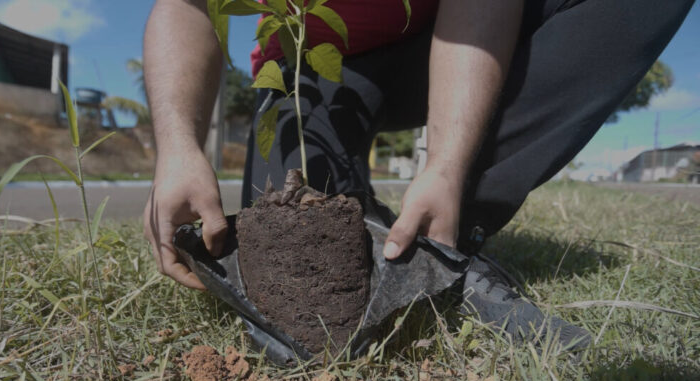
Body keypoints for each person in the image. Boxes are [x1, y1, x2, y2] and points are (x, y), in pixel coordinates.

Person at [142, 0, 694, 347]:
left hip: (450, 39)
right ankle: (380, 230)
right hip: (311, 65)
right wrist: (176, 148)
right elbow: (186, 5)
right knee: (300, 217)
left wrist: (448, 164)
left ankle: (444, 242)